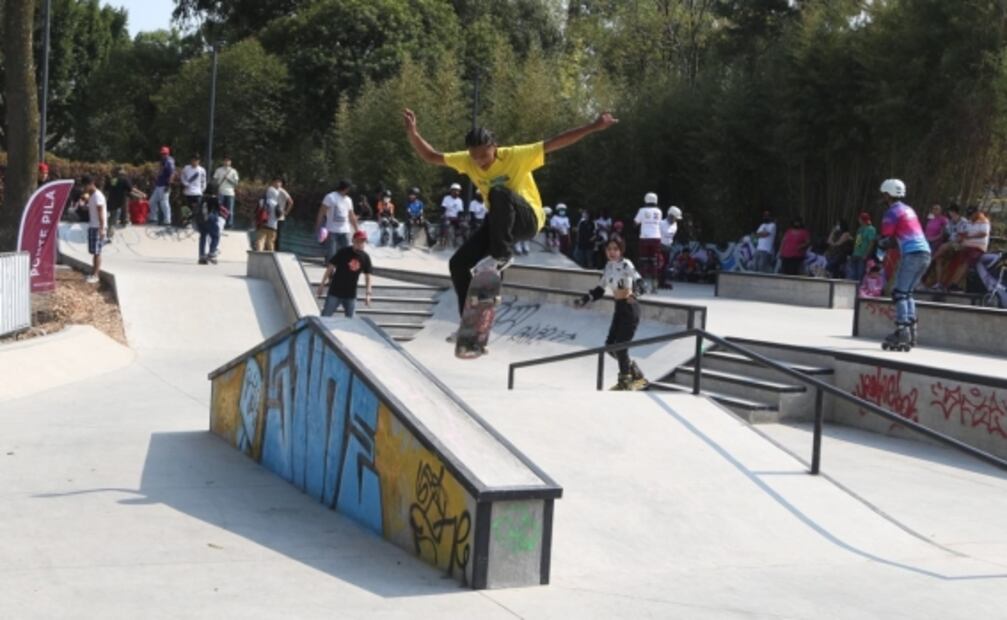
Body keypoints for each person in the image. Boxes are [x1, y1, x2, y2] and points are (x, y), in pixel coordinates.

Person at [403, 106, 618, 321]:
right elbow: (432, 156)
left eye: (484, 155)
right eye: (475, 156)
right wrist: (413, 134)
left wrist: (593, 127)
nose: (480, 161)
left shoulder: (515, 155)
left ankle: (501, 255)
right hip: (500, 223)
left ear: (494, 147)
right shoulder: (466, 161)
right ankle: (469, 320)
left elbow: (555, 142)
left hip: (528, 219)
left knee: (498, 193)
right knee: (458, 263)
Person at [574, 236, 646, 390]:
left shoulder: (626, 264)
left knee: (621, 346)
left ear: (621, 250)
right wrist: (585, 299)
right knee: (609, 346)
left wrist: (636, 293)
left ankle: (625, 381)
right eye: (609, 249)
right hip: (619, 309)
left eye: (615, 249)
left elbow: (640, 282)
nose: (612, 252)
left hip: (630, 308)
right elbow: (600, 289)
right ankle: (634, 371)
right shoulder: (608, 266)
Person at [877, 178, 930, 350]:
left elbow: (886, 238)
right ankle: (911, 331)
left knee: (899, 293)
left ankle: (902, 331)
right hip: (925, 254)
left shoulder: (892, 212)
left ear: (887, 194)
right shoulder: (908, 209)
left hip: (912, 255)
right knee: (907, 293)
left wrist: (879, 252)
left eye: (883, 195)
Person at [317, 230, 373, 318]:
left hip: (350, 294)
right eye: (358, 241)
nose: (360, 244)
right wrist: (322, 285)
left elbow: (368, 277)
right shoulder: (343, 252)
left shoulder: (365, 257)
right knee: (325, 316)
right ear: (353, 241)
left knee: (351, 319)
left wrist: (368, 294)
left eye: (362, 242)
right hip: (335, 292)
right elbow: (330, 268)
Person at [316, 180, 359, 260]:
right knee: (331, 254)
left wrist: (357, 230)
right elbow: (321, 212)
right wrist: (318, 226)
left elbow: (351, 216)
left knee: (347, 253)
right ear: (346, 188)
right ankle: (329, 267)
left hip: (345, 230)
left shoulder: (348, 200)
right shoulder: (330, 197)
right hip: (332, 230)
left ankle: (343, 268)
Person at [81, 175, 107, 284]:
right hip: (93, 225)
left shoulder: (97, 196)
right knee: (94, 252)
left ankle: (96, 275)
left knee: (97, 252)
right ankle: (93, 273)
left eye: (85, 186)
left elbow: (101, 212)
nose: (84, 189)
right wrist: (84, 204)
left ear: (91, 184)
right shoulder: (92, 196)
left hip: (97, 227)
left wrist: (102, 228)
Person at [633, 192, 663, 283]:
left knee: (643, 260)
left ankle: (641, 283)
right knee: (654, 261)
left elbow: (635, 223)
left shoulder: (642, 210)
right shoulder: (659, 211)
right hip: (656, 238)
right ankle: (654, 285)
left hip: (644, 238)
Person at [848, 212, 877, 283]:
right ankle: (852, 288)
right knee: (852, 273)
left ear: (862, 220)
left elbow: (871, 243)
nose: (859, 220)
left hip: (863, 254)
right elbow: (858, 243)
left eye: (860, 219)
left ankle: (859, 289)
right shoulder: (860, 229)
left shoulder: (871, 229)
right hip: (856, 254)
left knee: (860, 273)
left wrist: (866, 254)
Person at [150, 146, 175, 225]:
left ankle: (167, 220)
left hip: (165, 185)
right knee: (152, 201)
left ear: (168, 153)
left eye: (165, 154)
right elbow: (160, 172)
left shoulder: (169, 161)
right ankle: (154, 217)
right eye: (162, 153)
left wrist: (169, 185)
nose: (163, 155)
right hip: (159, 185)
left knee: (164, 203)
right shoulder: (162, 161)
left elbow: (172, 173)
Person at [197, 185, 222, 264]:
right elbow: (218, 208)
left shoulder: (202, 197)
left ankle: (202, 256)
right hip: (211, 218)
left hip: (200, 220)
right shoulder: (214, 198)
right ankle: (211, 253)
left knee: (203, 237)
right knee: (215, 236)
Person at [212, 156, 239, 228]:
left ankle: (229, 224)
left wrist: (228, 179)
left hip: (230, 193)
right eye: (225, 160)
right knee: (219, 208)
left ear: (230, 162)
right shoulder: (218, 170)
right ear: (223, 161)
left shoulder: (233, 171)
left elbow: (236, 183)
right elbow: (214, 180)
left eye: (228, 161)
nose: (226, 162)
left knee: (230, 210)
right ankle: (219, 223)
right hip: (220, 192)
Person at [659, 206, 682, 287]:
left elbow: (672, 236)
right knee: (660, 265)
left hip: (668, 247)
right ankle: (658, 282)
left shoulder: (675, 225)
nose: (675, 220)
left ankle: (662, 282)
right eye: (674, 218)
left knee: (666, 265)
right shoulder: (661, 223)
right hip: (660, 246)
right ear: (670, 216)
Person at [180, 155, 206, 225]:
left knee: (197, 209)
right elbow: (182, 177)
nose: (194, 162)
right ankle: (187, 222)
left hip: (197, 193)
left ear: (199, 161)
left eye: (196, 160)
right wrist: (185, 183)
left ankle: (197, 223)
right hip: (188, 192)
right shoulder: (186, 168)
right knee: (186, 209)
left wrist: (202, 190)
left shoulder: (201, 170)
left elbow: (204, 181)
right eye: (193, 160)